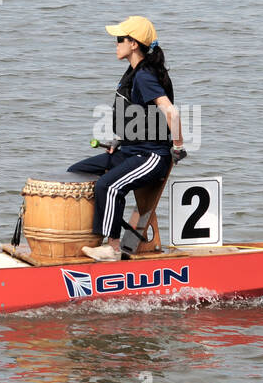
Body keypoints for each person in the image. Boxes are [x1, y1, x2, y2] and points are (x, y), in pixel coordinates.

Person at [68, 17, 183, 264]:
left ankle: (112, 247)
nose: (115, 44)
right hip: (130, 150)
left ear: (134, 44)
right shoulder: (132, 72)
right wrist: (119, 140)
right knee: (75, 173)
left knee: (109, 187)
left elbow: (171, 112)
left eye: (120, 39)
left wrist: (179, 146)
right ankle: (86, 237)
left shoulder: (144, 76)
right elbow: (136, 113)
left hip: (151, 156)